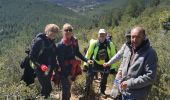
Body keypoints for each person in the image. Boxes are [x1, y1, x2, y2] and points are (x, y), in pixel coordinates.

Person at [118, 26, 158, 100]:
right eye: (133, 37)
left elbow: (150, 77)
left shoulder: (150, 53)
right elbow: (124, 64)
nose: (134, 39)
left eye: (138, 37)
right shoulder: (129, 49)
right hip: (124, 92)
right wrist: (121, 73)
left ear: (144, 37)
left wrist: (129, 83)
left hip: (136, 96)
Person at [56, 23, 93, 100]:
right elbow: (61, 61)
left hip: (72, 68)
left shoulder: (74, 41)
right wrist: (66, 74)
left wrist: (86, 60)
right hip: (64, 70)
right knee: (65, 89)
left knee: (68, 87)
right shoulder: (61, 45)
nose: (68, 31)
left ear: (72, 31)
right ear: (63, 31)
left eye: (70, 30)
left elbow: (77, 53)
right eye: (66, 30)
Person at [81, 29, 117, 98]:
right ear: (98, 35)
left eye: (103, 34)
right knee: (89, 77)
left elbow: (114, 56)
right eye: (100, 34)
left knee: (104, 79)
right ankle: (86, 92)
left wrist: (113, 68)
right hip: (95, 63)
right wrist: (85, 65)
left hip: (106, 64)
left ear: (106, 35)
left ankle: (102, 92)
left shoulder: (110, 44)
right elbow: (88, 54)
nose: (102, 35)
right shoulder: (94, 43)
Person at [29, 24, 60, 99]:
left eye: (56, 32)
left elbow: (52, 56)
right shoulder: (40, 41)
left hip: (48, 69)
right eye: (52, 31)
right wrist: (41, 66)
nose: (54, 33)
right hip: (40, 69)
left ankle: (44, 97)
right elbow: (31, 56)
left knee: (45, 88)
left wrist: (56, 66)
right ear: (47, 31)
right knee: (48, 88)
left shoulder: (52, 41)